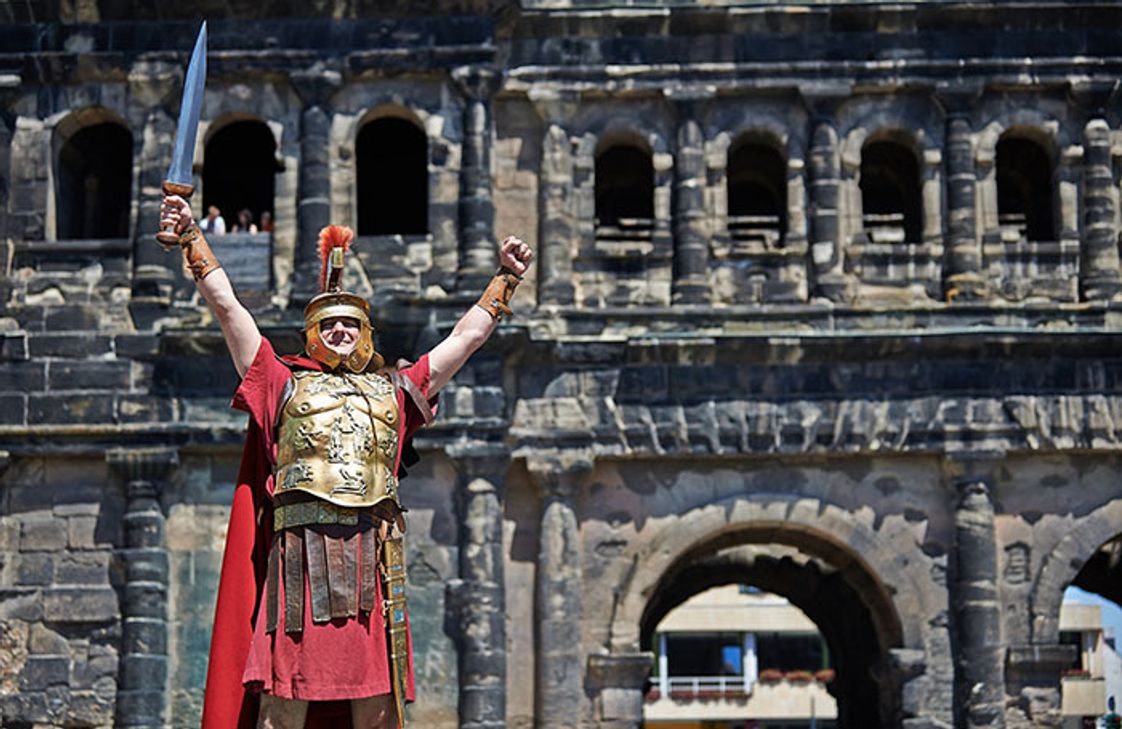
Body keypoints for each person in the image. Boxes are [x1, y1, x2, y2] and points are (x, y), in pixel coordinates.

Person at [159, 194, 532, 729]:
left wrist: (506, 278)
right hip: (297, 565)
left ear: (364, 334)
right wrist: (191, 237)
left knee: (376, 711)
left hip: (366, 567)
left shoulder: (394, 393)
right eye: (329, 324)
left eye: (350, 324)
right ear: (312, 334)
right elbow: (229, 308)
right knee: (281, 711)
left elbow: (464, 340)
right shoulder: (281, 383)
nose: (340, 331)